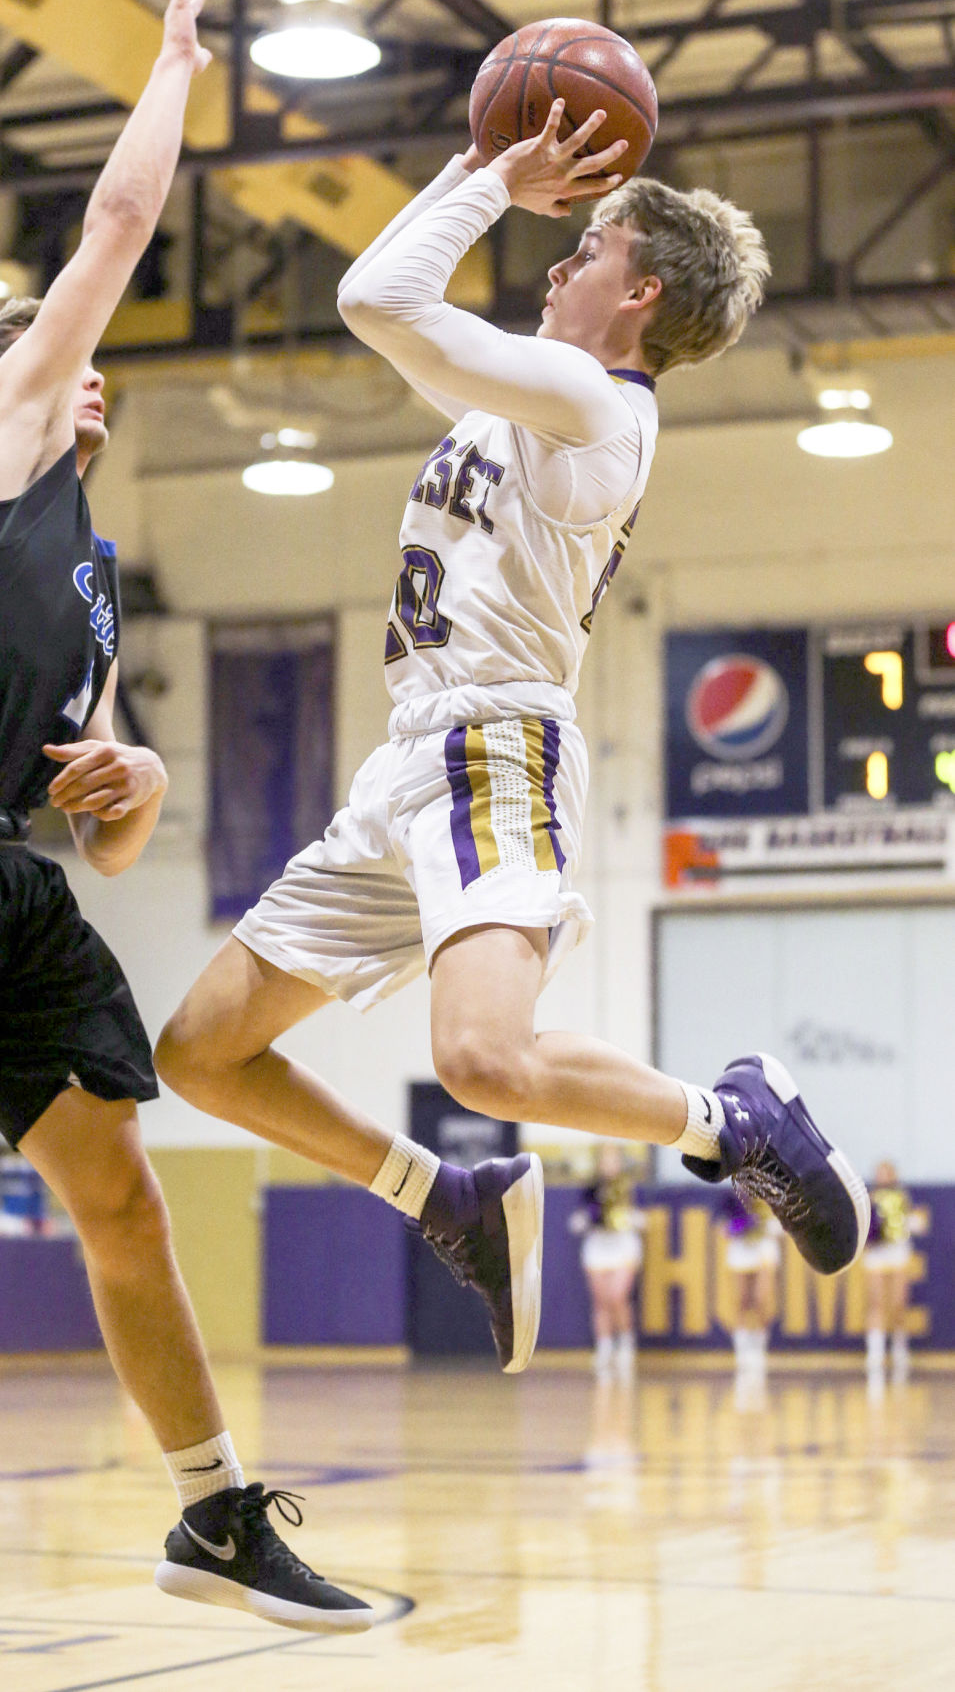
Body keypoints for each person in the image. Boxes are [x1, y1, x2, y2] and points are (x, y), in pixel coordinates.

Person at [0, 0, 370, 1692]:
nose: (97, 391)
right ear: (19, 380)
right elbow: (119, 232)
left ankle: (213, 1513)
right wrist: (174, 65)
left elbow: (117, 829)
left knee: (121, 1197)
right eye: (76, 369)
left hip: (20, 884)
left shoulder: (88, 577)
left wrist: (127, 793)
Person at [154, 96, 871, 1378]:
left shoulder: (595, 404)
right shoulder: (530, 396)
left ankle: (731, 1118)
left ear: (641, 291)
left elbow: (377, 299)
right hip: (403, 765)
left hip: (495, 746)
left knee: (483, 1057)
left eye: (586, 245)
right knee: (200, 1052)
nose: (557, 256)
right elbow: (400, 310)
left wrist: (486, 172)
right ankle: (446, 1198)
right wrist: (484, 169)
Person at [567, 1144, 645, 1377]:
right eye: (605, 1159)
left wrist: (631, 1219)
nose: (609, 1164)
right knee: (601, 1300)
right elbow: (580, 1218)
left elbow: (641, 1216)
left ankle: (626, 1345)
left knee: (618, 1297)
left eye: (613, 1159)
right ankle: (604, 1347)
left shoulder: (628, 1186)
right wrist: (586, 1220)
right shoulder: (591, 1189)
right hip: (598, 1248)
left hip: (623, 1247)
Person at [864, 1159, 925, 1382]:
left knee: (899, 1302)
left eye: (886, 1173)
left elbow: (911, 1220)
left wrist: (912, 1222)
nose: (883, 1177)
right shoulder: (868, 1198)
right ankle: (875, 1352)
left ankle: (900, 1348)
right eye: (879, 1173)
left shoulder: (902, 1197)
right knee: (876, 1302)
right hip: (877, 1254)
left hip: (898, 1251)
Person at [719, 1188, 781, 1379]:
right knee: (742, 1298)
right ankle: (742, 1351)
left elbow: (784, 1216)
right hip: (741, 1247)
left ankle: (759, 1349)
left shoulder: (773, 1185)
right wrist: (736, 1226)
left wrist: (768, 1225)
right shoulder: (735, 1189)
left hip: (763, 1246)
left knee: (761, 1298)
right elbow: (725, 1221)